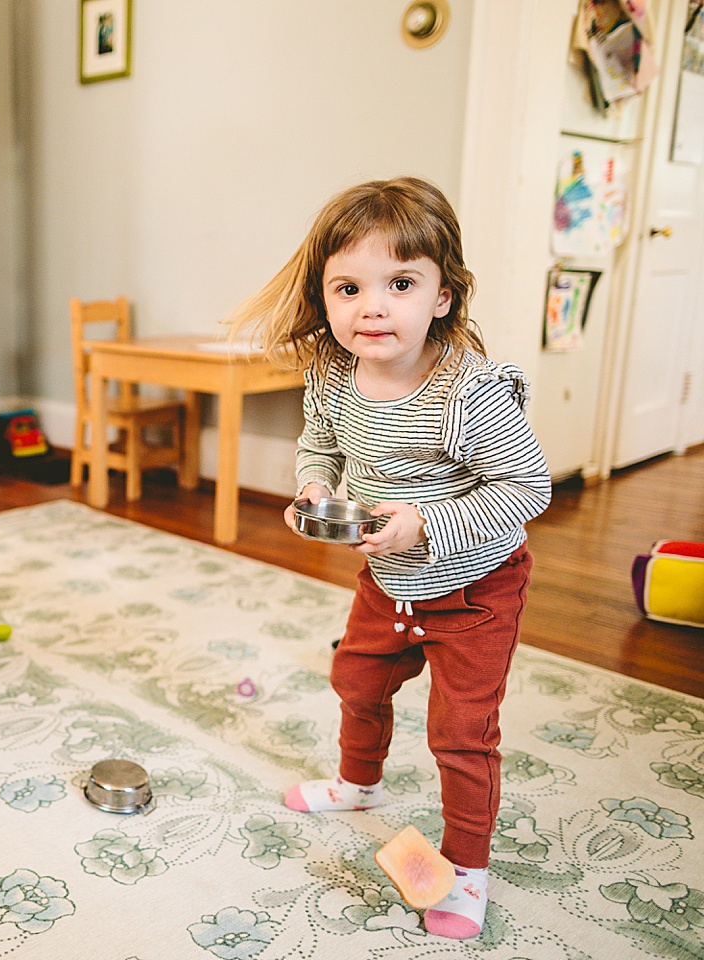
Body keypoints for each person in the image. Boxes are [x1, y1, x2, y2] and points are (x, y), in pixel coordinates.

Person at [230, 177, 551, 939]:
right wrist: (314, 482)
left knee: (461, 732)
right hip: (388, 579)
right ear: (326, 297)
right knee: (356, 678)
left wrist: (427, 524)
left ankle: (467, 870)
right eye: (349, 287)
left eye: (400, 283)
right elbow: (323, 444)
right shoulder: (333, 377)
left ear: (443, 296)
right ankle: (359, 784)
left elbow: (529, 486)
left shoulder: (466, 395)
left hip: (475, 588)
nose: (372, 306)